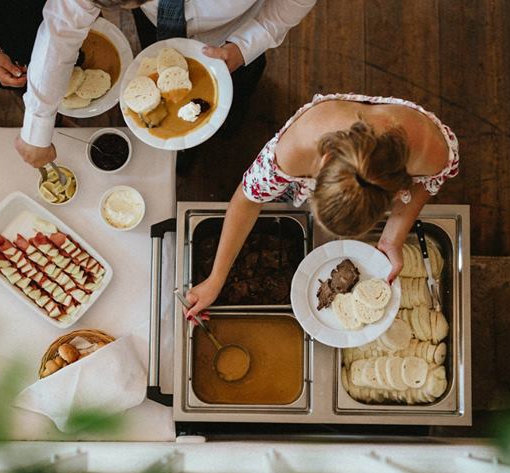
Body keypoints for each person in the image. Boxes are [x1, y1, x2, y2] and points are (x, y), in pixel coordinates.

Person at [183, 93, 460, 319]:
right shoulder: (295, 148)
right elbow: (247, 200)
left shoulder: (429, 148)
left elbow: (428, 182)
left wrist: (393, 238)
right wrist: (216, 278)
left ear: (394, 190)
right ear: (323, 163)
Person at [15, 0, 317, 168]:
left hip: (236, 32)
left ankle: (229, 127)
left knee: (236, 103)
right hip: (160, 24)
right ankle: (182, 150)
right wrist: (37, 126)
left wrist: (245, 45)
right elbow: (62, 28)